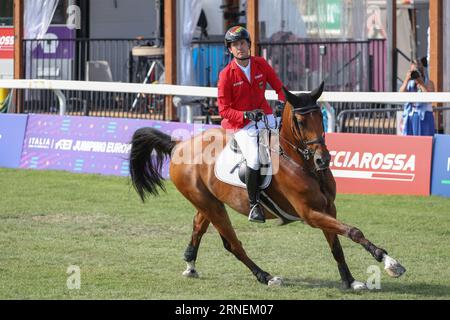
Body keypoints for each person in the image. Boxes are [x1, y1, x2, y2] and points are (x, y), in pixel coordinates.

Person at [217, 25, 286, 223]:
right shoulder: (226, 75)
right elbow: (224, 110)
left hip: (266, 116)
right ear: (230, 49)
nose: (240, 47)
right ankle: (254, 205)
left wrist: (282, 103)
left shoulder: (261, 64)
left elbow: (279, 87)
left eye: (242, 43)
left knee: (283, 148)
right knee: (255, 159)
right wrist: (245, 114)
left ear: (248, 45)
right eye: (235, 45)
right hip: (241, 125)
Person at [399, 59, 435, 136]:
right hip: (410, 116)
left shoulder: (429, 83)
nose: (414, 74)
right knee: (410, 143)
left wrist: (421, 83)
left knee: (424, 142)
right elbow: (400, 95)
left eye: (416, 71)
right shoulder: (410, 83)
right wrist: (406, 79)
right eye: (412, 71)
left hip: (424, 116)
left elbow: (429, 99)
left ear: (421, 72)